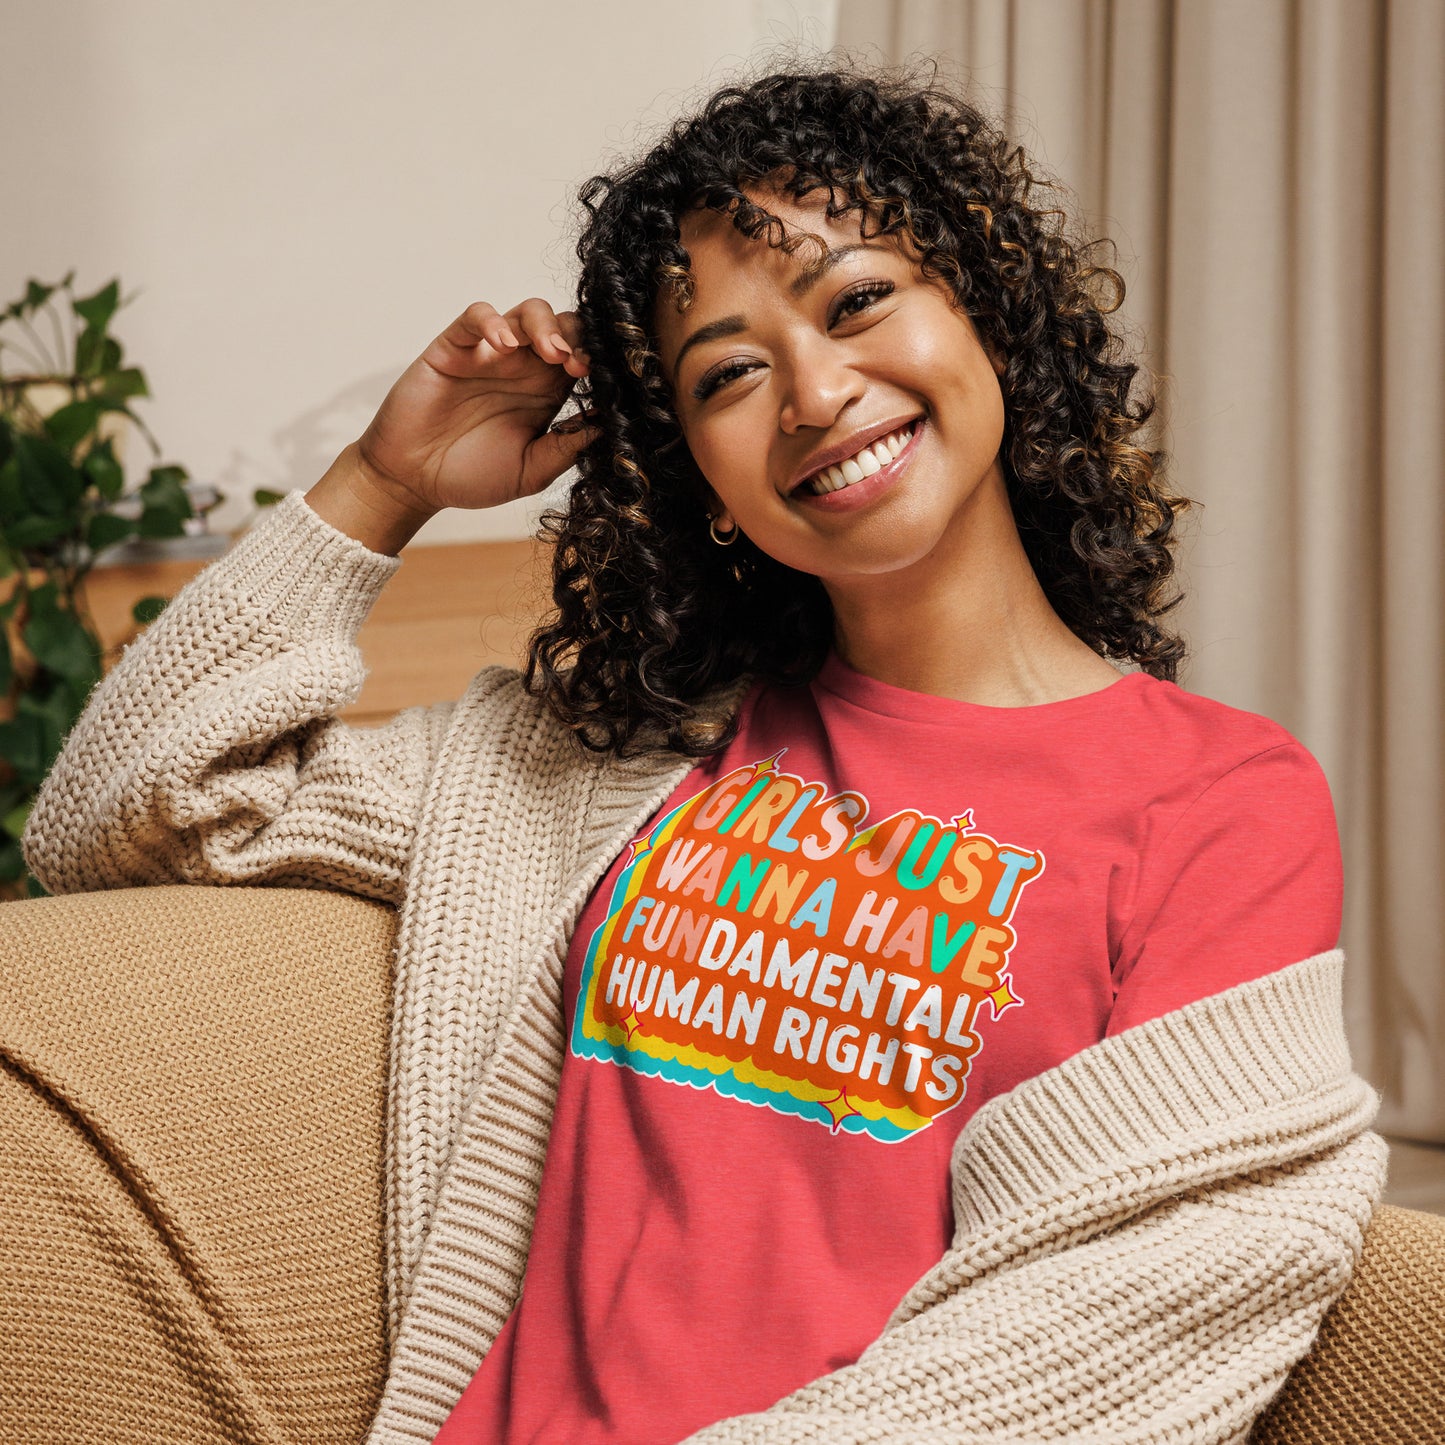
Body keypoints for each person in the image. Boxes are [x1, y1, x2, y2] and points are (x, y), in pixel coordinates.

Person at [18, 64, 1384, 1445]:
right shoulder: (614, 763)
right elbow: (129, 814)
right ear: (700, 477)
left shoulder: (1216, 798)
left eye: (857, 301)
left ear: (985, 311)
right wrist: (382, 483)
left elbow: (1130, 1301)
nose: (812, 390)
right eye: (728, 371)